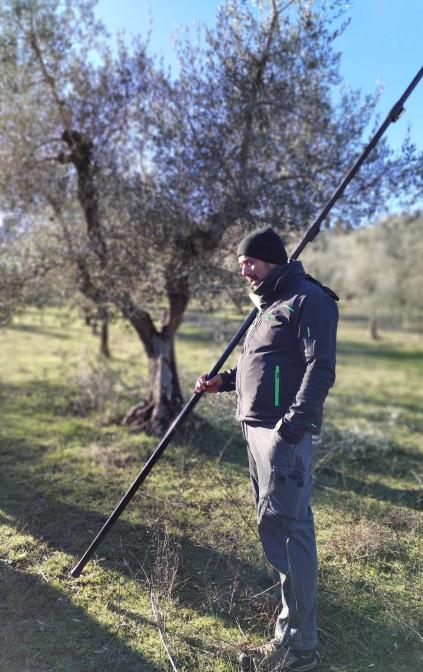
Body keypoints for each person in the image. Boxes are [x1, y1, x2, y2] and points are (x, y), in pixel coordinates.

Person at [195, 226, 338, 671]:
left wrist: (291, 427)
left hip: (281, 436)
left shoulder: (308, 300)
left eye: (250, 263)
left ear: (273, 260)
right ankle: (292, 630)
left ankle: (298, 649)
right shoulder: (271, 301)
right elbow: (264, 364)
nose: (244, 272)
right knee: (275, 529)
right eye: (240, 265)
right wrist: (226, 382)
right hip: (257, 431)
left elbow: (321, 369)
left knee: (290, 533)